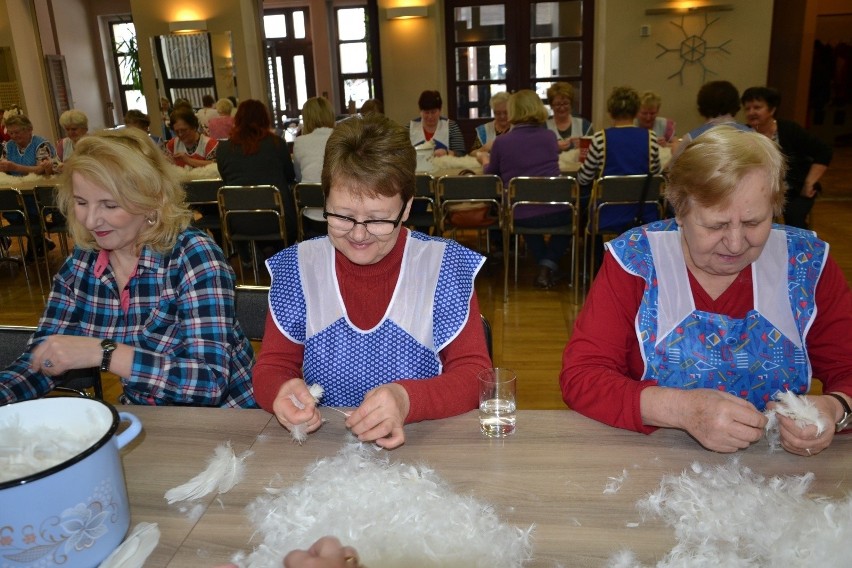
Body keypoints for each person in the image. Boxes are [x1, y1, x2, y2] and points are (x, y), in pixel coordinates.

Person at [560, 126, 852, 456]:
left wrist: (835, 408)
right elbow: (582, 376)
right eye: (716, 226)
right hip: (653, 461)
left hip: (777, 473)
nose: (736, 242)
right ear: (679, 212)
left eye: (755, 222)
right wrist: (681, 409)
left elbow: (847, 370)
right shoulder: (636, 261)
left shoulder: (806, 264)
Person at [252, 113, 491, 450]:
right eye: (342, 216)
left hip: (424, 449)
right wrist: (279, 389)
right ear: (324, 200)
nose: (359, 234)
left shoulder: (443, 267)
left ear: (406, 208)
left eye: (379, 220)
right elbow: (273, 365)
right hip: (323, 454)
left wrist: (408, 399)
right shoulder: (299, 268)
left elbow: (474, 374)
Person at [0, 127, 256, 407]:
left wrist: (106, 353)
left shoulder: (193, 255)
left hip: (229, 423)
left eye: (109, 205)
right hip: (150, 421)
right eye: (82, 203)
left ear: (151, 202)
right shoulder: (81, 264)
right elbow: (40, 361)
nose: (91, 221)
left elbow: (209, 384)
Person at [478, 89, 565, 289]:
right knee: (576, 216)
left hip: (520, 212)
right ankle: (547, 266)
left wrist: (484, 159)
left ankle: (545, 265)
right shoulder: (550, 137)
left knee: (526, 213)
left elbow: (492, 175)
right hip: (557, 210)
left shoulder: (502, 142)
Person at [741, 86, 833, 229]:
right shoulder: (743, 134)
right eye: (747, 109)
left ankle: (798, 248)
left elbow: (824, 151)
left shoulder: (789, 129)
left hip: (794, 190)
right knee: (752, 218)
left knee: (794, 217)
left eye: (757, 107)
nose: (751, 112)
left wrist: (809, 182)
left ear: (772, 110)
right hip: (758, 193)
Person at [576, 86, 662, 237]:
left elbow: (584, 178)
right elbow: (656, 175)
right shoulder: (651, 138)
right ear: (636, 112)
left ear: (610, 112)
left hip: (607, 213)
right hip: (643, 212)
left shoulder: (600, 138)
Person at [216, 99, 297, 247]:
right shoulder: (277, 144)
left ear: (238, 119)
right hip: (277, 219)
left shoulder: (223, 149)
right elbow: (290, 176)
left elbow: (226, 180)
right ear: (265, 119)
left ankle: (248, 257)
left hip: (238, 221)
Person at [0, 114, 57, 258]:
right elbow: (5, 167)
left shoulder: (41, 144)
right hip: (16, 191)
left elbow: (41, 169)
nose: (13, 136)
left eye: (17, 132)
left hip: (36, 192)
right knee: (9, 211)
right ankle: (39, 241)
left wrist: (14, 167)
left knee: (32, 213)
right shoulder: (9, 146)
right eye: (11, 132)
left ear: (29, 129)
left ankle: (35, 244)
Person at [672, 80, 750, 157]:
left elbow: (673, 166)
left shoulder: (692, 139)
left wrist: (675, 151)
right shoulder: (752, 135)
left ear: (702, 106)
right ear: (736, 104)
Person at [407, 89, 466, 157]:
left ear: (440, 110)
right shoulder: (409, 128)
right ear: (420, 111)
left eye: (433, 112)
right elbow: (400, 154)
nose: (430, 116)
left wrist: (447, 153)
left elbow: (461, 154)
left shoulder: (451, 126)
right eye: (426, 112)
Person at [293, 96, 335, 183]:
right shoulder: (339, 137)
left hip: (309, 193)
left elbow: (298, 176)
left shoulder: (299, 142)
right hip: (335, 193)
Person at [545, 82, 593, 152]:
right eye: (558, 104)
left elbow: (594, 152)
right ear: (551, 105)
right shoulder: (543, 127)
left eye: (565, 103)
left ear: (571, 104)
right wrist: (553, 147)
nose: (562, 108)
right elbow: (539, 153)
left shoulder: (585, 126)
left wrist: (584, 146)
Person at [470, 91, 510, 155]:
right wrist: (483, 149)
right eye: (498, 113)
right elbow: (472, 154)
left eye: (506, 112)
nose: (502, 116)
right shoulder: (484, 130)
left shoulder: (518, 128)